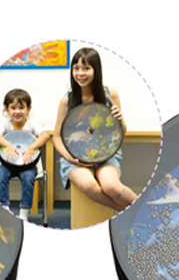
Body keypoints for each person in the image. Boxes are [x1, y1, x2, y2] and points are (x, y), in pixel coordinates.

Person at [53, 47, 137, 213]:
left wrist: (120, 121)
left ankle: (144, 208)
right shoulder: (67, 100)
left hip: (105, 154)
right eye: (76, 68)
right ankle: (129, 212)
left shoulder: (110, 95)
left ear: (96, 70)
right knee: (89, 186)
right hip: (75, 157)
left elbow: (120, 133)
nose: (80, 73)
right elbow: (56, 137)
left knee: (113, 187)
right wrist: (70, 157)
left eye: (86, 68)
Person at [0, 89, 50, 221]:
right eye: (13, 108)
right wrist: (7, 144)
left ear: (28, 109)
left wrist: (32, 147)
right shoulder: (6, 125)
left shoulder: (32, 124)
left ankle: (24, 212)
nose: (17, 111)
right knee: (1, 175)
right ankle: (5, 208)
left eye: (21, 108)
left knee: (28, 177)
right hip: (8, 164)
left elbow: (45, 135)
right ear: (7, 110)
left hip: (28, 165)